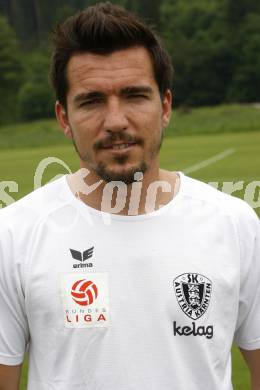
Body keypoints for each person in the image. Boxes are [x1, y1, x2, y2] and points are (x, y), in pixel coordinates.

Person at [0, 3, 259, 389]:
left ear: (165, 106)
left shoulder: (235, 225)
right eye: (91, 101)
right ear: (64, 118)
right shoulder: (14, 235)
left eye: (135, 96)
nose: (116, 121)